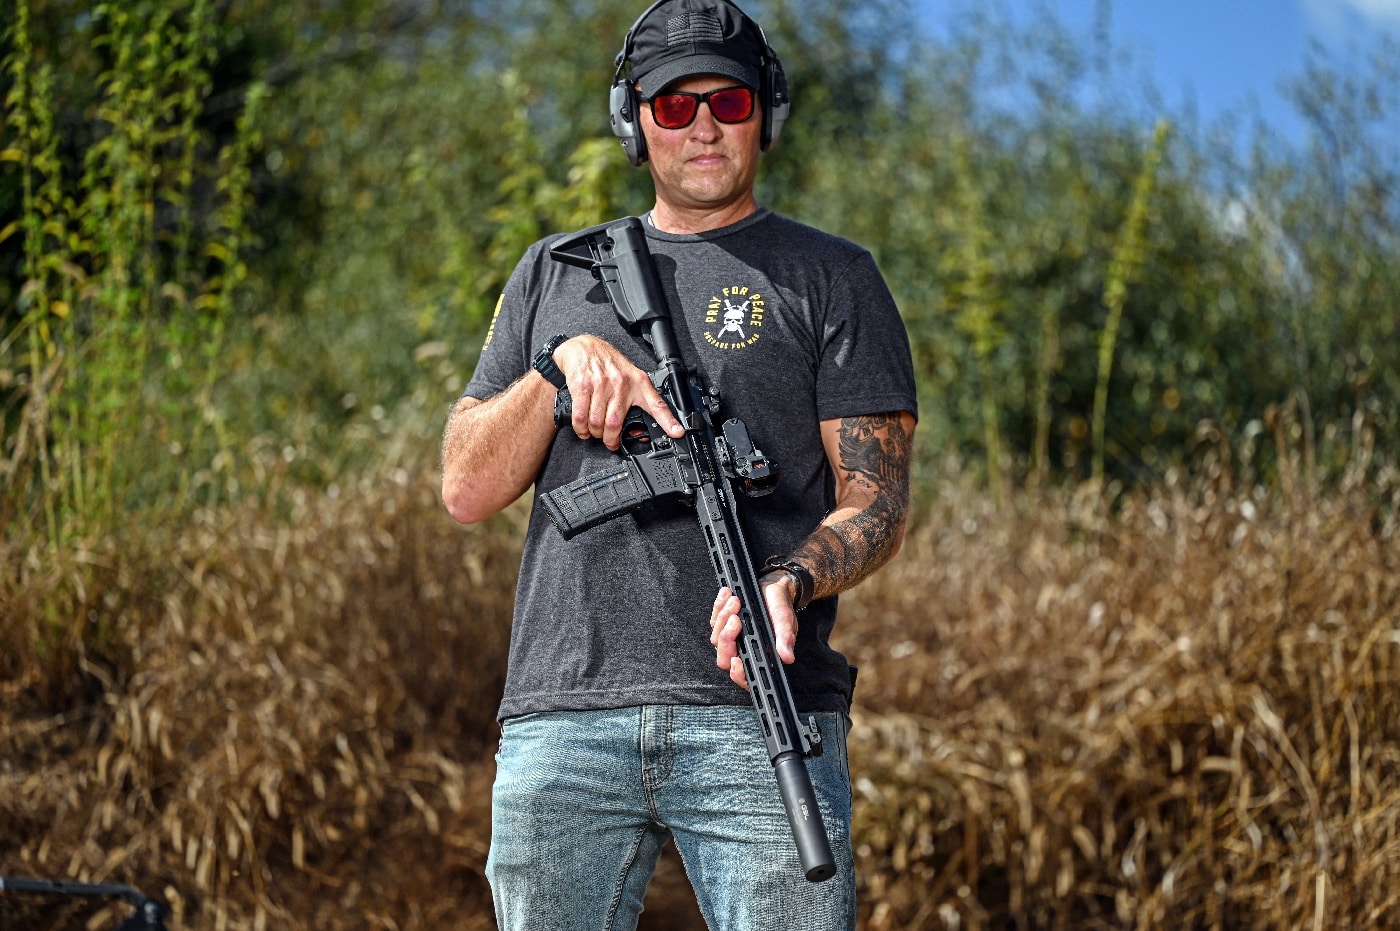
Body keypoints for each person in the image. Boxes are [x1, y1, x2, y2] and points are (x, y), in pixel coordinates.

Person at [439, 0, 917, 928]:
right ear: (635, 120)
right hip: (564, 713)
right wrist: (559, 365)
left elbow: (878, 499)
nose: (702, 124)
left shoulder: (831, 276)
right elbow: (464, 485)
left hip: (760, 712)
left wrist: (787, 579)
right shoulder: (554, 273)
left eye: (728, 102)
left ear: (765, 115)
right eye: (673, 105)